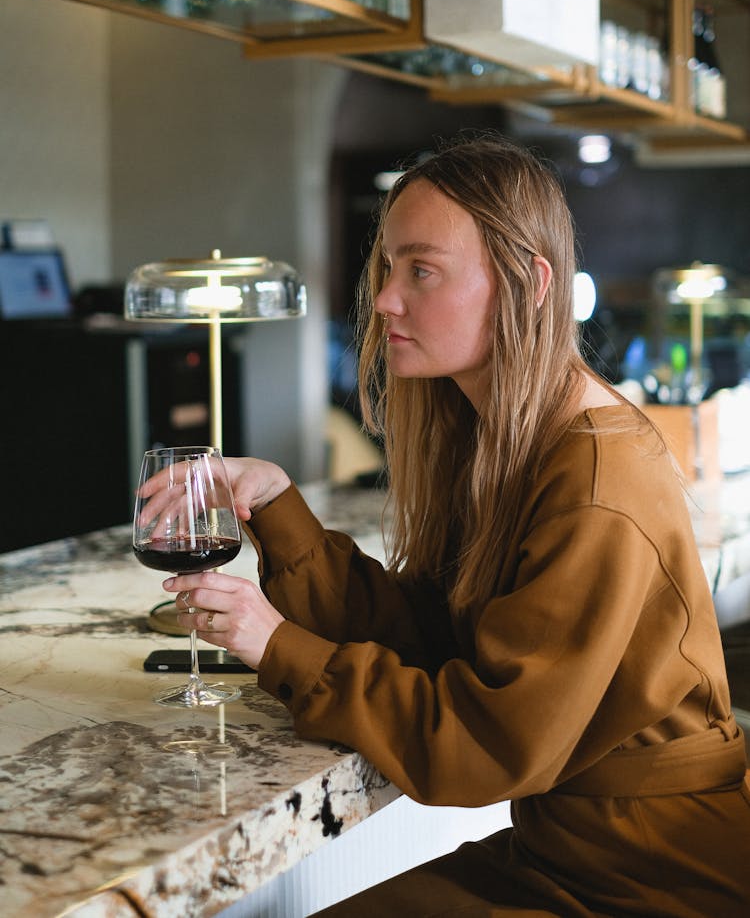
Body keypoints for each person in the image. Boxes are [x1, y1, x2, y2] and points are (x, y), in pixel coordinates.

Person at [149, 135, 750, 916]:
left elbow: (492, 741)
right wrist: (279, 510)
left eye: (421, 270)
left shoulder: (599, 478)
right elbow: (431, 629)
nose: (388, 299)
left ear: (527, 283)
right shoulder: (508, 438)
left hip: (657, 876)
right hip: (575, 850)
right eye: (388, 268)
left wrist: (281, 647)